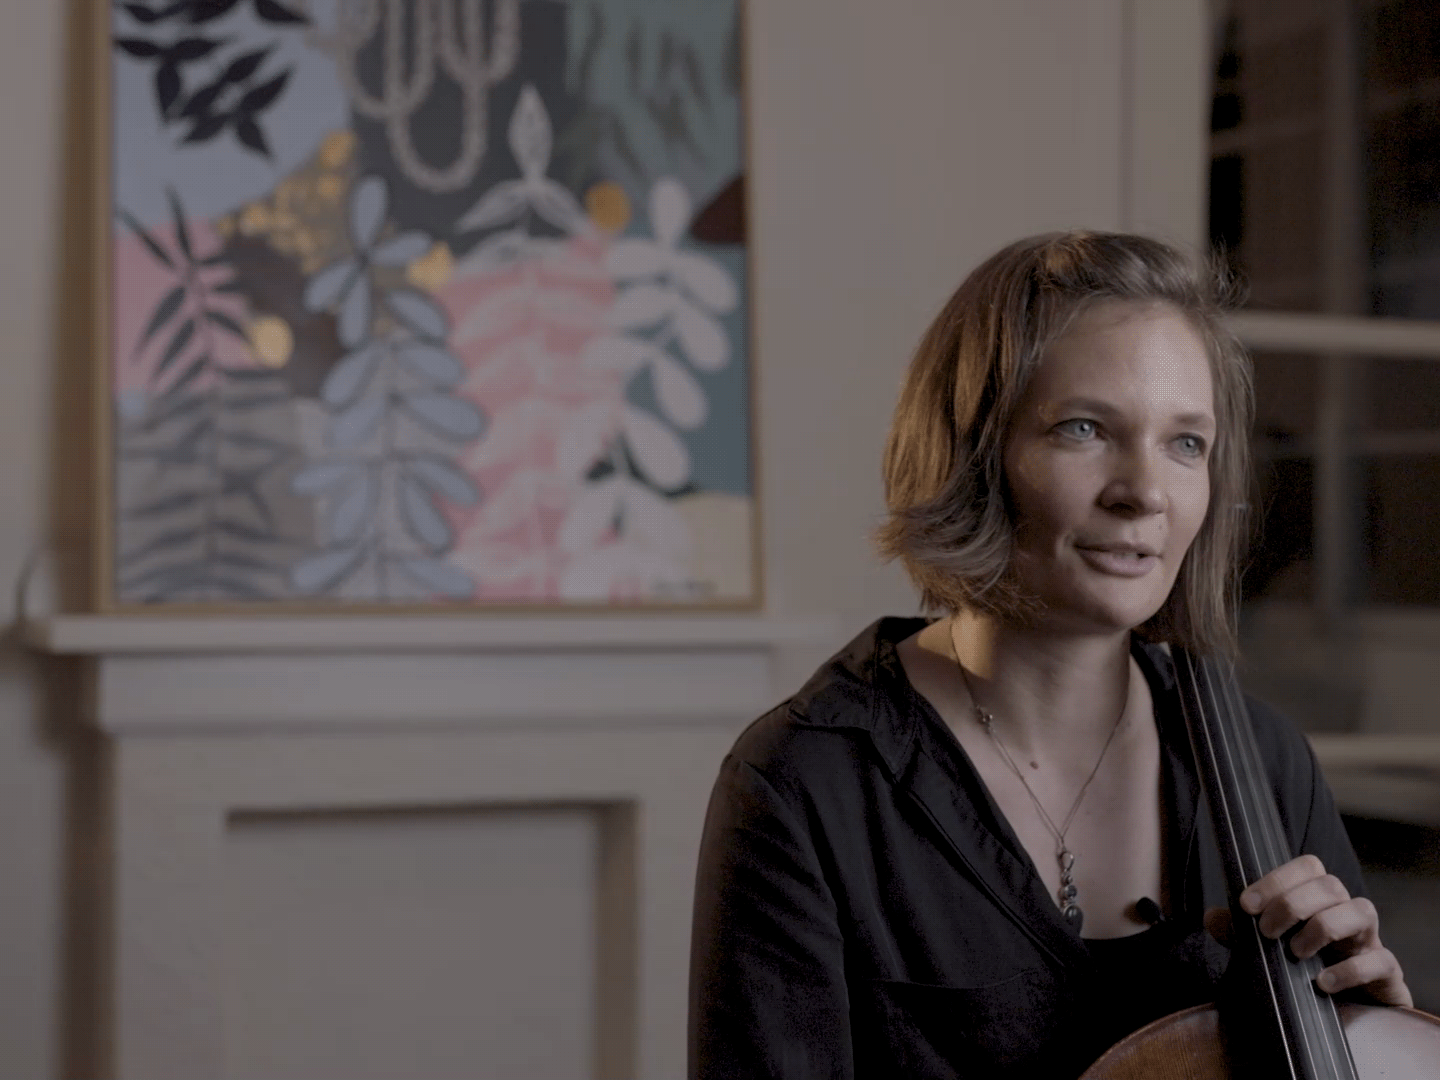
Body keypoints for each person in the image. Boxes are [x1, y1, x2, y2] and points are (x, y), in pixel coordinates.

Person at [687, 231, 1411, 1079]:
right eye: (1084, 429)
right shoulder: (809, 784)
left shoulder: (1268, 762)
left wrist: (1373, 1038)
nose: (1145, 492)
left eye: (1186, 443)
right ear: (973, 454)